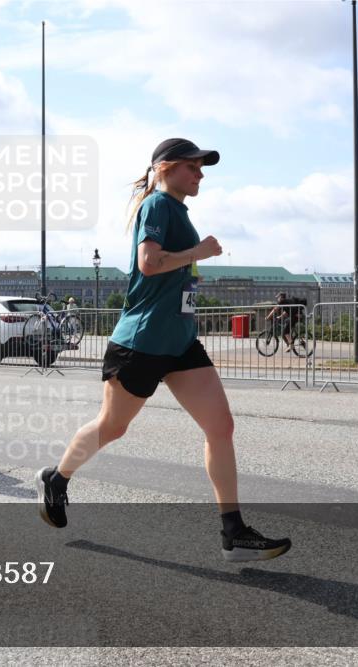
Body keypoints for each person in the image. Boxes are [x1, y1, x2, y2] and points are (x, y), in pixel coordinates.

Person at [35, 138, 291, 562]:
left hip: (180, 341)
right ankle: (57, 479)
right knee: (112, 427)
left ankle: (234, 532)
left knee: (221, 427)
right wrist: (198, 253)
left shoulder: (177, 211)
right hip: (142, 341)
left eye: (201, 168)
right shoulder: (156, 205)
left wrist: (189, 278)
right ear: (166, 168)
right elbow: (148, 263)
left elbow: (166, 270)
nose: (200, 174)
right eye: (193, 166)